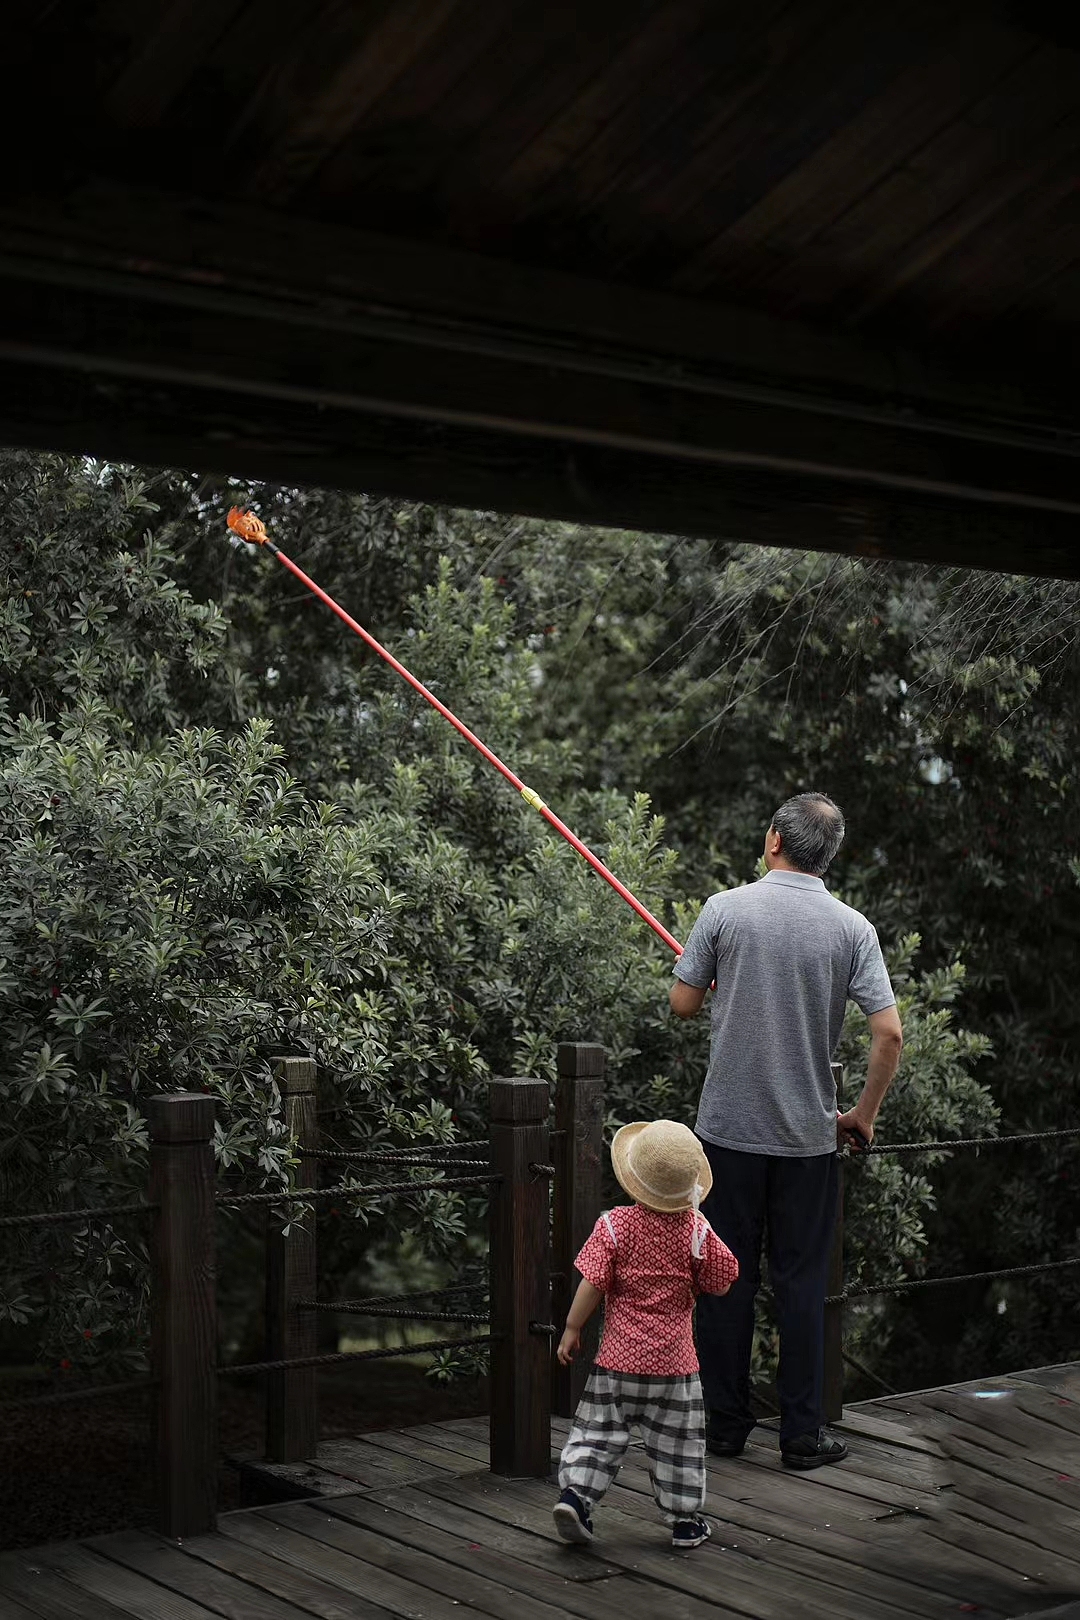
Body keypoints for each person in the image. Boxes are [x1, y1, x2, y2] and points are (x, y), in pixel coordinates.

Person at [669, 791, 902, 1470]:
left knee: (724, 1278)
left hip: (726, 1139)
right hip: (807, 1139)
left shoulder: (724, 910)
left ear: (774, 839)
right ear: (827, 855)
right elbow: (888, 1032)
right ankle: (801, 1436)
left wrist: (714, 981)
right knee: (801, 1283)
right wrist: (861, 1115)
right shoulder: (852, 929)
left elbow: (683, 1004)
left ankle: (724, 1428)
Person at [552, 1119, 739, 1549]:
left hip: (618, 1361)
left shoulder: (615, 1226)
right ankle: (686, 1521)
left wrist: (572, 1327)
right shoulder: (697, 1231)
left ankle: (576, 1499)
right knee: (679, 1445)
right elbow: (724, 1282)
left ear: (634, 1179)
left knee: (597, 1432)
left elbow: (593, 1283)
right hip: (675, 1366)